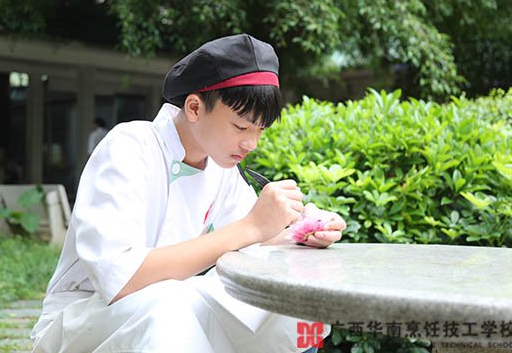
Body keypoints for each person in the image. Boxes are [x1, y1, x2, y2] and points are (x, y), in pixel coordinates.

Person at [30, 34, 346, 353]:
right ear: (194, 107)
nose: (251, 144)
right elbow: (121, 280)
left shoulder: (220, 168)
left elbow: (253, 241)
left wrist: (302, 232)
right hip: (87, 316)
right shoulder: (129, 146)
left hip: (171, 308)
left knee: (286, 296)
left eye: (260, 130)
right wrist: (252, 226)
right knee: (170, 305)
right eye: (241, 127)